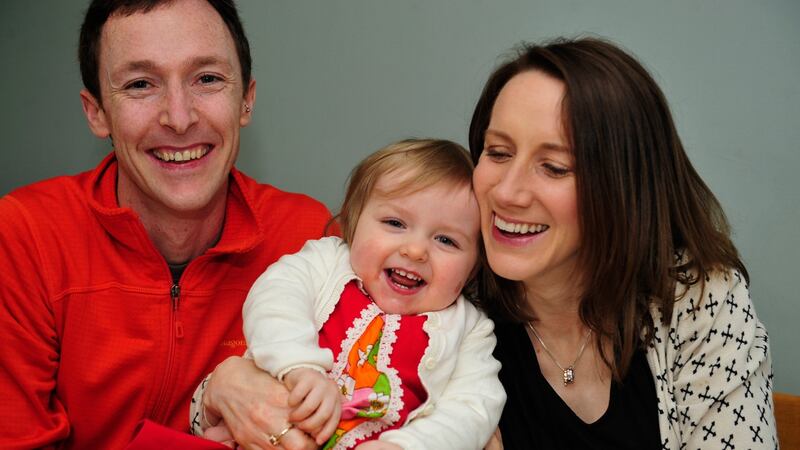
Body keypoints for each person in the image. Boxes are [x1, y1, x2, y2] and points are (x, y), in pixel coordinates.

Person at [0, 0, 332, 448]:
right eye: (140, 84)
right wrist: (209, 400)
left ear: (247, 100)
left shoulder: (309, 239)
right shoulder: (26, 236)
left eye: (207, 79)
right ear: (97, 113)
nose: (179, 118)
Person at [467, 37, 777, 449]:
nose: (507, 192)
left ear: (623, 186)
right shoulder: (447, 301)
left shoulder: (699, 298)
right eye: (498, 152)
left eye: (554, 167)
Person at [191, 139, 506, 449]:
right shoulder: (324, 262)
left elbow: (474, 408)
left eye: (446, 241)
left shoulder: (470, 329)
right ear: (353, 222)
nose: (415, 250)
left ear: (474, 267)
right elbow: (275, 299)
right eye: (395, 223)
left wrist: (404, 446)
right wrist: (300, 368)